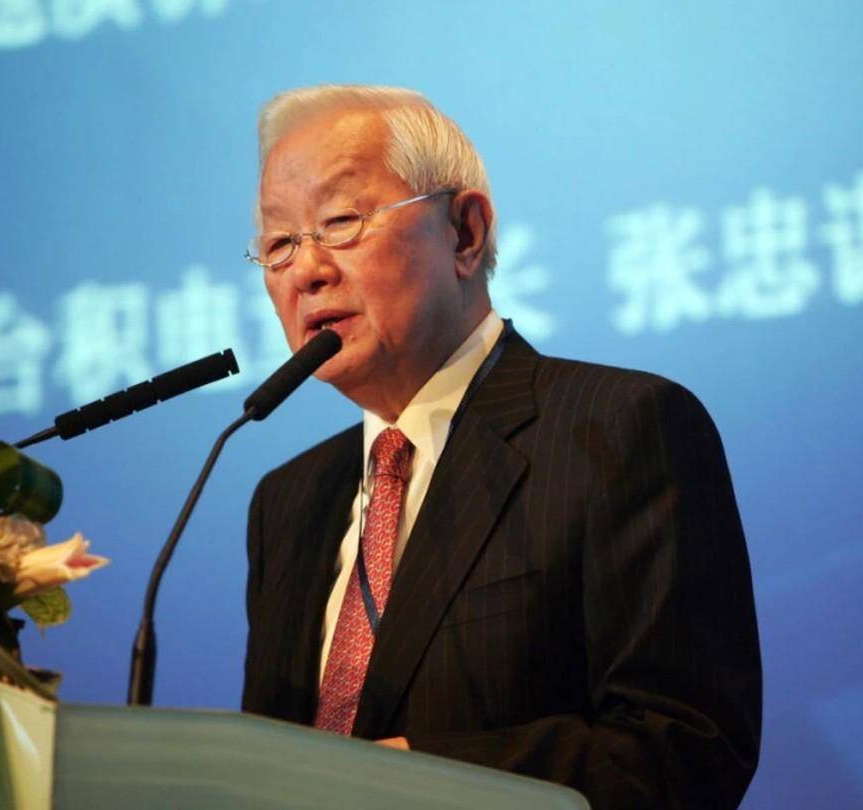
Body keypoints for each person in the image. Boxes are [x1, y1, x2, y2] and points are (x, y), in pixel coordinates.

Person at [241, 84, 762, 809]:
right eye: (278, 244)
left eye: (340, 222)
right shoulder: (289, 501)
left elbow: (683, 750)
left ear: (464, 234)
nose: (307, 270)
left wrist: (414, 780)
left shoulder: (620, 428)